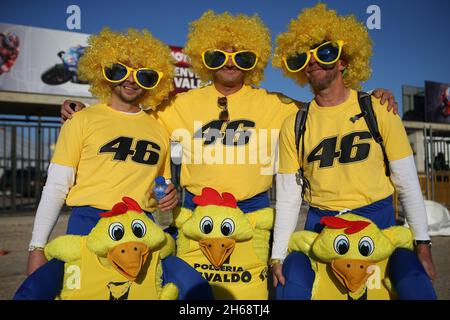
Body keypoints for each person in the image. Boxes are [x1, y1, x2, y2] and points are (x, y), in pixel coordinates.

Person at [60, 11, 398, 300]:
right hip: (195, 216)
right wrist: (85, 111)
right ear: (204, 60)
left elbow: (330, 108)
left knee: (249, 299)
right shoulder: (178, 104)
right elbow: (130, 117)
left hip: (252, 218)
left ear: (254, 60)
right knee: (193, 298)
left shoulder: (276, 105)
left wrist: (371, 97)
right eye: (217, 56)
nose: (230, 62)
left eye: (242, 56)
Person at [270, 3, 437, 300]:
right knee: (288, 288)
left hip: (379, 225)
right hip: (321, 226)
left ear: (344, 61)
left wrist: (423, 245)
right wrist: (277, 256)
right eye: (302, 57)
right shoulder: (294, 124)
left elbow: (407, 182)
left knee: (417, 287)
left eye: (325, 52)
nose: (314, 62)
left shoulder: (378, 109)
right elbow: (287, 196)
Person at [24, 28, 179, 284]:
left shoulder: (160, 129)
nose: (131, 80)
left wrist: (168, 201)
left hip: (140, 228)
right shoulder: (81, 119)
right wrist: (37, 247)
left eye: (145, 75)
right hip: (88, 223)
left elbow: (160, 192)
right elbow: (56, 186)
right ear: (104, 72)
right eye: (119, 70)